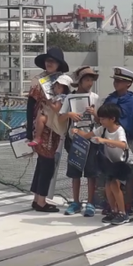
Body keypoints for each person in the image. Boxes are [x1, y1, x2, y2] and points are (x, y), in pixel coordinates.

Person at [72, 103, 132, 226]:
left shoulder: (119, 130)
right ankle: (114, 210)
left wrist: (104, 140)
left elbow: (123, 145)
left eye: (103, 118)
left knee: (115, 186)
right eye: (100, 118)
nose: (101, 120)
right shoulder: (102, 129)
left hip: (121, 162)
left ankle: (122, 213)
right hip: (110, 163)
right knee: (108, 188)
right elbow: (88, 136)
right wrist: (77, 131)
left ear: (112, 119)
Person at [27, 47, 69, 213]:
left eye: (53, 61)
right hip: (43, 126)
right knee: (47, 163)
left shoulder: (63, 81)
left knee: (43, 162)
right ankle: (41, 200)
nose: (49, 63)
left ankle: (38, 198)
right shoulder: (38, 81)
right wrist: (29, 128)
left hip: (56, 126)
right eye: (47, 60)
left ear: (59, 64)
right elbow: (30, 105)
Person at [59, 66, 101, 217]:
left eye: (91, 80)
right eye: (87, 80)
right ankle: (75, 202)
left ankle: (90, 203)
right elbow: (60, 117)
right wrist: (69, 114)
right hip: (73, 139)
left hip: (90, 138)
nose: (89, 83)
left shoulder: (95, 97)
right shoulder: (69, 98)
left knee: (91, 173)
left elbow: (100, 120)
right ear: (80, 81)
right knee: (75, 172)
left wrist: (94, 113)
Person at [102, 67, 133, 215]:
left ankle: (126, 204)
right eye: (115, 80)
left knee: (126, 177)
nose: (116, 83)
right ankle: (111, 204)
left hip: (127, 143)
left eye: (120, 81)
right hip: (110, 142)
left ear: (129, 84)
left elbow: (131, 125)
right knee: (111, 175)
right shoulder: (110, 99)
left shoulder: (130, 102)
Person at [29, 74, 73, 148]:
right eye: (55, 86)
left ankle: (37, 137)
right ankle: (37, 137)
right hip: (58, 121)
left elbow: (56, 109)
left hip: (58, 122)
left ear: (63, 88)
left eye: (58, 87)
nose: (55, 89)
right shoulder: (62, 97)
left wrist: (49, 103)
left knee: (41, 118)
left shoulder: (61, 97)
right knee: (41, 118)